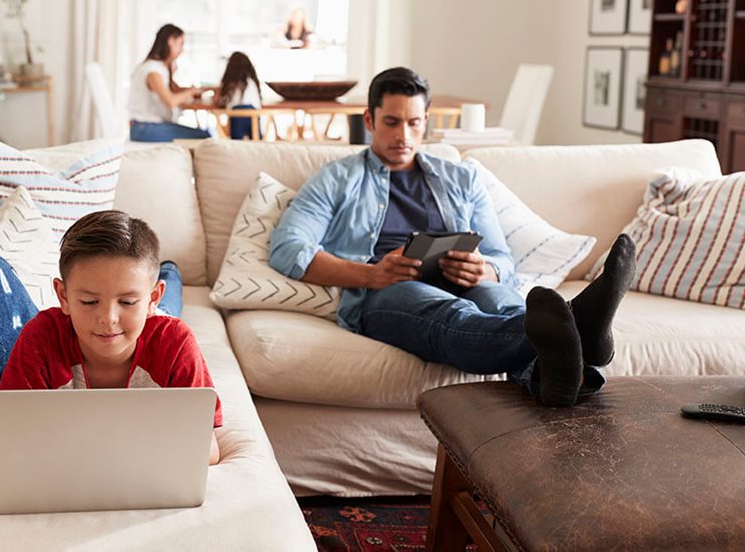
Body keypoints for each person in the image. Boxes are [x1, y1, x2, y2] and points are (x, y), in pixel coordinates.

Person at [268, 67, 637, 407]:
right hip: (386, 292)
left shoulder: (462, 179)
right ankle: (583, 331)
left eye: (413, 124)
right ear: (369, 120)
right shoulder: (337, 178)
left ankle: (554, 377)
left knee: (503, 302)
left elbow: (502, 259)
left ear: (425, 121)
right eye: (391, 123)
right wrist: (371, 274)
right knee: (452, 315)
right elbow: (288, 248)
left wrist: (484, 271)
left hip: (463, 282)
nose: (403, 136)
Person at [0, 210, 222, 464]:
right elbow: (11, 437)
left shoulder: (175, 340)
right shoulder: (39, 337)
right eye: (89, 301)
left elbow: (209, 449)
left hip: (154, 320)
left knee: (170, 308)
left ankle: (171, 273)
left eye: (127, 301)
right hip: (139, 319)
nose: (108, 318)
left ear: (152, 298)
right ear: (63, 297)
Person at [129, 24, 212, 142]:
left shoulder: (158, 67)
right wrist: (191, 91)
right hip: (145, 128)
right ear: (171, 41)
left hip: (146, 127)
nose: (182, 49)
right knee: (203, 136)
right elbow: (171, 101)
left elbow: (173, 90)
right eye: (181, 43)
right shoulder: (153, 71)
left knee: (203, 134)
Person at [216, 51, 263, 140]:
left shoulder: (231, 84)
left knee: (236, 143)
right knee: (256, 140)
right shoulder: (252, 82)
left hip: (237, 115)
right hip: (253, 114)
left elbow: (224, 102)